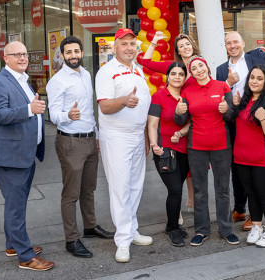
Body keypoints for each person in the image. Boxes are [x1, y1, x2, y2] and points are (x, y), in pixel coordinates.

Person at [216, 10, 265, 231]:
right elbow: (218, 95)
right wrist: (228, 84)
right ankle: (240, 209)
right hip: (233, 120)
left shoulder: (257, 57)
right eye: (228, 43)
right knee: (237, 166)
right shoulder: (221, 70)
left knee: (258, 167)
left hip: (260, 118)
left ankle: (254, 213)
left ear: (243, 43)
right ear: (226, 46)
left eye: (235, 42)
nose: (232, 45)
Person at [0, 41, 54, 271]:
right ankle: (25, 256)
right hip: (8, 156)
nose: (23, 58)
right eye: (17, 55)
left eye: (25, 54)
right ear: (7, 58)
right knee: (15, 206)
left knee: (16, 203)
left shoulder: (22, 81)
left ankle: (12, 245)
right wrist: (28, 110)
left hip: (24, 154)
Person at [46, 35, 114, 259]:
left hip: (89, 139)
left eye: (76, 52)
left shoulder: (85, 74)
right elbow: (53, 114)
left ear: (81, 52)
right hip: (70, 141)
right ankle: (71, 239)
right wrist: (68, 115)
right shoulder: (57, 81)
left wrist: (95, 133)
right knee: (71, 193)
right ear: (63, 55)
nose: (73, 56)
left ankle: (90, 226)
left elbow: (88, 109)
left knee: (89, 189)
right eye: (69, 52)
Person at [95, 28, 152, 263]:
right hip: (116, 136)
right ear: (115, 47)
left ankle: (131, 230)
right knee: (120, 188)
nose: (129, 48)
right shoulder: (106, 71)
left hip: (138, 136)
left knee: (135, 186)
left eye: (132, 44)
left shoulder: (138, 70)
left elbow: (144, 109)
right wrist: (123, 101)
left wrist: (147, 137)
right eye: (124, 44)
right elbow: (105, 107)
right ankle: (122, 241)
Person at [174, 56, 239, 246]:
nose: (198, 70)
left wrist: (227, 108)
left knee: (223, 189)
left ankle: (226, 229)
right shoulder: (187, 91)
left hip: (221, 145)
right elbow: (181, 121)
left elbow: (231, 116)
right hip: (197, 147)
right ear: (191, 73)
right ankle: (201, 231)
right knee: (200, 190)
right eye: (194, 68)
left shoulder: (222, 87)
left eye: (200, 65)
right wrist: (178, 112)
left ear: (207, 67)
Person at [141, 31, 199, 212]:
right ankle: (178, 208)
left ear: (193, 45)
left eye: (187, 44)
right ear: (178, 51)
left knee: (191, 165)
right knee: (176, 170)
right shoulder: (174, 67)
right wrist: (155, 42)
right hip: (173, 120)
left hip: (193, 122)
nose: (185, 48)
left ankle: (192, 201)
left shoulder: (200, 65)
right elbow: (146, 62)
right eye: (181, 46)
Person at [231, 64, 265, 248]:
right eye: (252, 77)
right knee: (251, 193)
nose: (254, 81)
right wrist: (234, 105)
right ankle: (257, 226)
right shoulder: (243, 101)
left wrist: (262, 118)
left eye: (259, 78)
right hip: (242, 157)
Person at [148, 62, 191, 247]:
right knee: (174, 189)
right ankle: (173, 228)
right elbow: (152, 124)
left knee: (177, 187)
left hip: (185, 149)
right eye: (173, 73)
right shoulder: (158, 95)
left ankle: (171, 225)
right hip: (165, 150)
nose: (177, 77)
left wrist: (181, 133)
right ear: (167, 75)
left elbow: (193, 121)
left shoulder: (187, 96)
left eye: (181, 74)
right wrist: (153, 144)